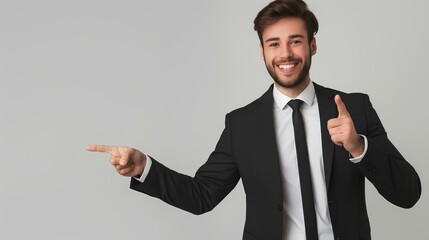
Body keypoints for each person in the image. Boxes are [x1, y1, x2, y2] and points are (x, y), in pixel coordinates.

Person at [87, 0, 421, 239]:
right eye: (274, 44)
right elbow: (202, 195)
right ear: (262, 52)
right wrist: (144, 167)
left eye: (295, 41)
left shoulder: (354, 109)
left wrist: (358, 146)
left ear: (313, 45)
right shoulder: (242, 125)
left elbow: (408, 194)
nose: (285, 53)